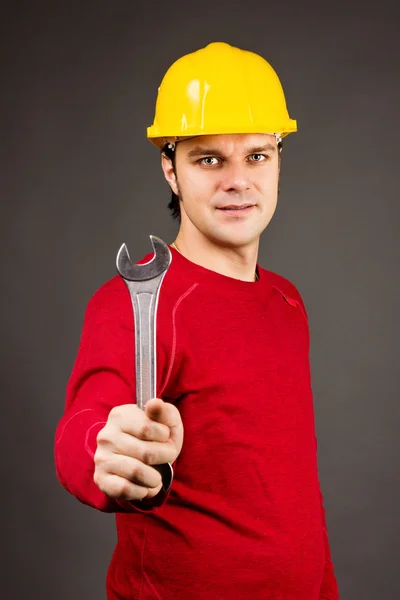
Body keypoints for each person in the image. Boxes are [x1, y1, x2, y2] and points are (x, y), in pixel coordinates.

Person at [55, 41, 340, 599]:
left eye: (256, 155)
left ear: (280, 159)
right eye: (209, 159)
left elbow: (294, 498)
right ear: (170, 168)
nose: (237, 180)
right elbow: (87, 424)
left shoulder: (286, 300)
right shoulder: (134, 300)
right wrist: (104, 449)